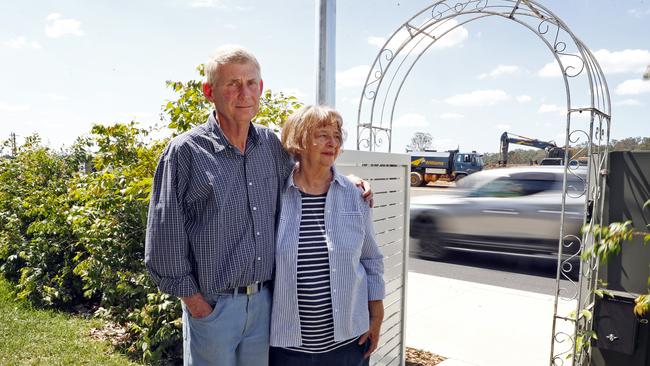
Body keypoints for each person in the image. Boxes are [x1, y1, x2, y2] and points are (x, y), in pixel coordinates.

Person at [145, 46, 371, 366]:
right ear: (210, 91)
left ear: (261, 88)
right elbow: (163, 240)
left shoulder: (271, 146)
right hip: (213, 307)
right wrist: (196, 304)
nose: (244, 93)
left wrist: (351, 182)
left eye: (251, 83)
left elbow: (311, 172)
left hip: (266, 305)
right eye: (232, 84)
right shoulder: (185, 152)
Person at [269, 105, 385, 366]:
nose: (332, 142)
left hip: (349, 342)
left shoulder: (355, 195)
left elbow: (371, 260)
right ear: (298, 139)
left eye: (336, 135)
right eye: (322, 134)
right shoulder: (275, 196)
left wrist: (376, 317)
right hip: (289, 347)